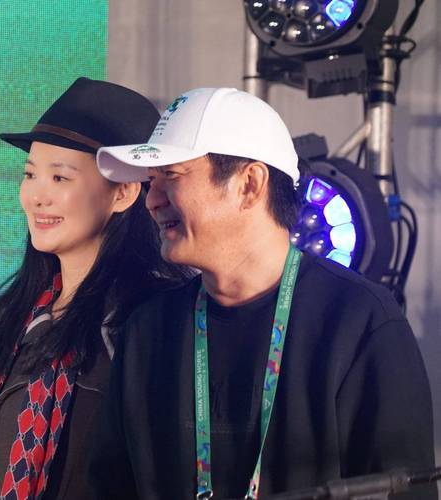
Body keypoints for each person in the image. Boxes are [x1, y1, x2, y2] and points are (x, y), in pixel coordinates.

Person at [90, 87, 437, 499]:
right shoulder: (148, 332)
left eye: (172, 175)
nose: (152, 200)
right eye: (151, 181)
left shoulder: (361, 323)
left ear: (249, 184)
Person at [0, 77, 191, 500]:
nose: (36, 197)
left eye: (60, 178)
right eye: (30, 175)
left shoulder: (145, 320)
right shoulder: (23, 315)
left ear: (123, 194)